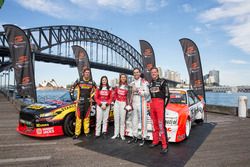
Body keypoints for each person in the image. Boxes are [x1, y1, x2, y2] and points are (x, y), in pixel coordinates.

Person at [148, 67, 170, 154]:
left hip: (160, 104)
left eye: (154, 72)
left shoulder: (163, 82)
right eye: (152, 72)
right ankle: (155, 141)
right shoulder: (150, 83)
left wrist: (163, 106)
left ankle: (165, 145)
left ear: (157, 73)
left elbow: (167, 95)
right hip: (152, 103)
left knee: (161, 125)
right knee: (154, 124)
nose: (153, 73)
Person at [127, 68, 150, 146]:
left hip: (142, 102)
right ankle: (135, 136)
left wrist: (138, 90)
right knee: (134, 120)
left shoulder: (144, 82)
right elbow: (129, 94)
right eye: (134, 73)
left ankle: (143, 137)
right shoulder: (131, 83)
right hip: (134, 102)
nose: (136, 74)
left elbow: (147, 93)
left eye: (137, 72)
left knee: (143, 120)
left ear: (140, 73)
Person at [72, 68, 96, 139]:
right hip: (80, 103)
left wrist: (93, 98)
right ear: (83, 73)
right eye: (86, 72)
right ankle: (76, 134)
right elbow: (72, 89)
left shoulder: (92, 82)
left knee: (86, 118)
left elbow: (97, 91)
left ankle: (86, 132)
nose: (87, 74)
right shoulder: (79, 81)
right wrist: (74, 99)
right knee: (78, 118)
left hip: (88, 103)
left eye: (88, 73)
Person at [111, 73, 129, 140]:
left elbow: (128, 96)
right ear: (120, 78)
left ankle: (122, 134)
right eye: (122, 77)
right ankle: (116, 134)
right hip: (117, 103)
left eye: (124, 77)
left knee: (122, 120)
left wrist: (127, 104)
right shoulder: (117, 85)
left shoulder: (127, 86)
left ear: (126, 78)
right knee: (116, 119)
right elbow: (114, 94)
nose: (123, 78)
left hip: (123, 103)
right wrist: (115, 100)